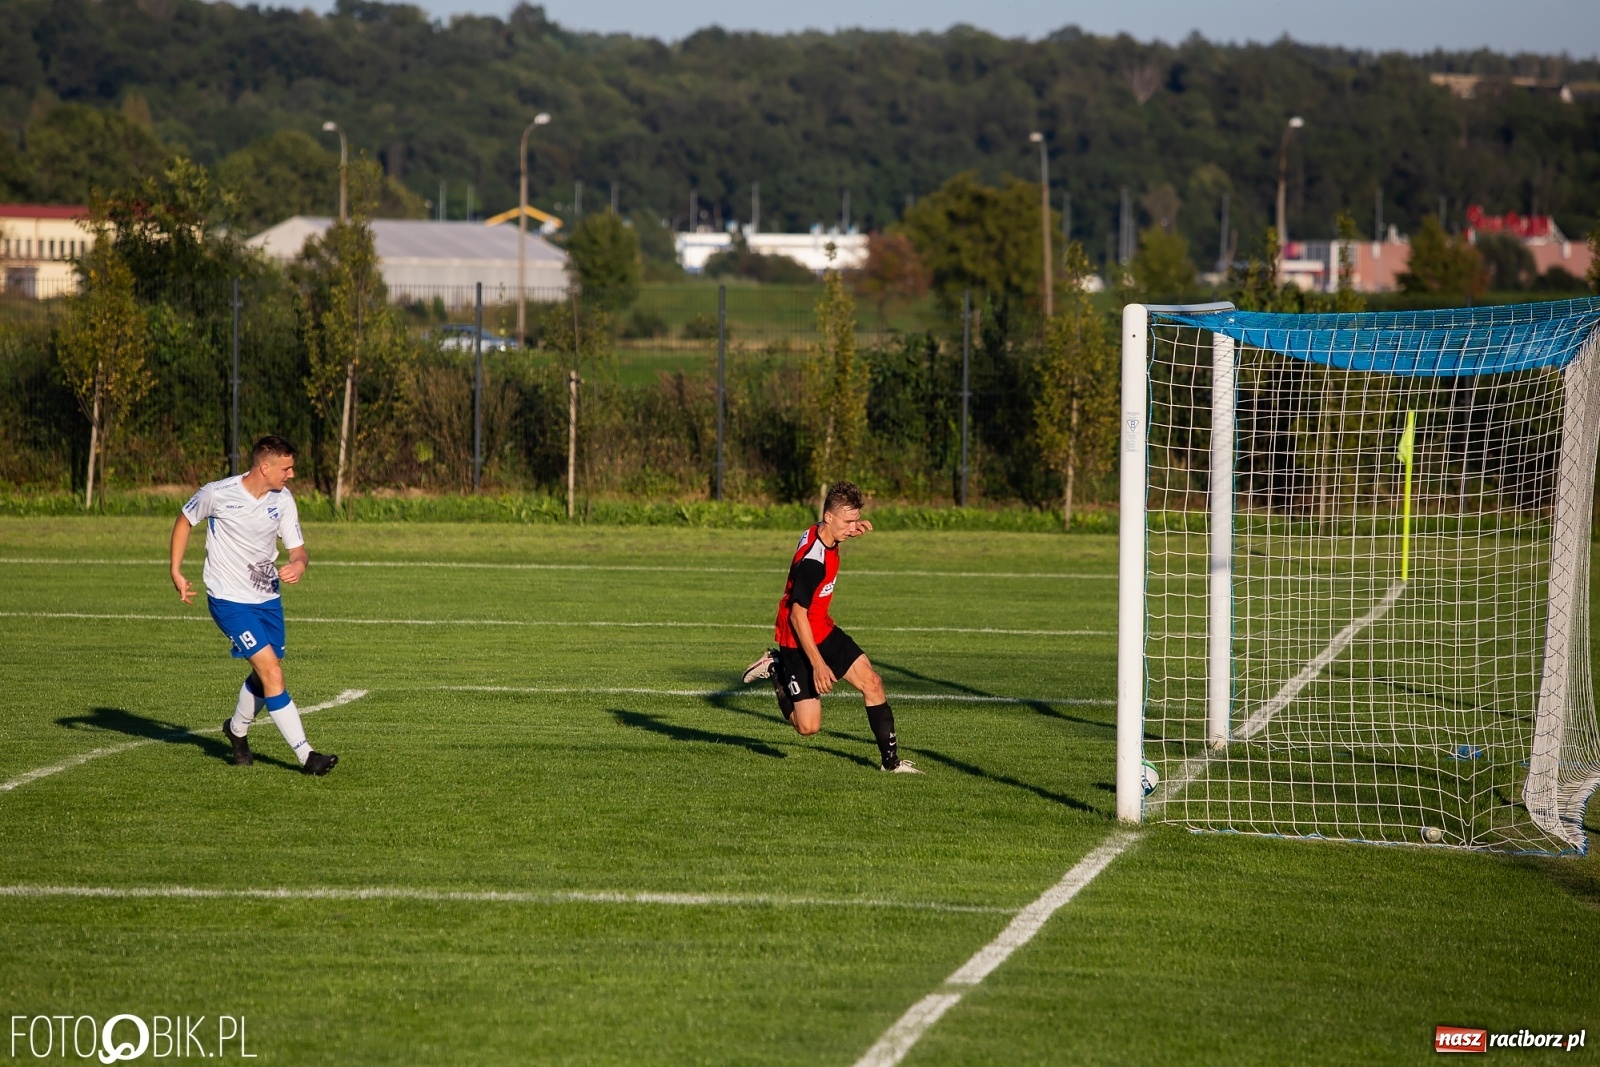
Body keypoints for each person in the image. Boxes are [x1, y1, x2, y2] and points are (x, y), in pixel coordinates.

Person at [169, 435, 338, 776]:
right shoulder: (217, 493)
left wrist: (299, 565)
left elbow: (298, 550)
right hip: (229, 600)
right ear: (265, 467)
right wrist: (175, 570)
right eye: (286, 468)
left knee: (264, 676)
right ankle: (307, 756)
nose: (291, 474)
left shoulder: (284, 500)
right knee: (273, 673)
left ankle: (236, 730)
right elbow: (185, 520)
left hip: (268, 599)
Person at [744, 481, 920, 773]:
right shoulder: (813, 562)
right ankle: (777, 668)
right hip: (798, 640)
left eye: (855, 520)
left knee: (872, 683)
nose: (853, 527)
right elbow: (796, 617)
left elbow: (831, 533)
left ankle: (891, 763)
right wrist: (818, 665)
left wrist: (850, 528)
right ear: (829, 517)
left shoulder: (823, 531)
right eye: (848, 521)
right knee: (808, 727)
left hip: (823, 629)